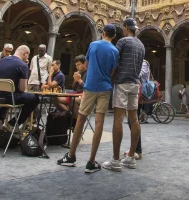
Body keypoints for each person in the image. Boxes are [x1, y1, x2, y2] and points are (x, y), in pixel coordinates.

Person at [57, 24, 118, 173]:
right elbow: (112, 71)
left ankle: (71, 156)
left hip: (90, 86)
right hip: (105, 88)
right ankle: (91, 162)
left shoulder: (93, 45)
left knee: (80, 120)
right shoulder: (115, 50)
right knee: (99, 123)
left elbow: (88, 63)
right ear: (114, 36)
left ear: (103, 33)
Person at [103, 18, 144, 171]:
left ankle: (115, 160)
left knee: (118, 119)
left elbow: (114, 60)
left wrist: (110, 75)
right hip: (135, 84)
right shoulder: (141, 45)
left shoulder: (123, 42)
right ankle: (131, 157)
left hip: (122, 83)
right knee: (134, 119)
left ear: (126, 28)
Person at [0, 45, 38, 132]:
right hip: (8, 97)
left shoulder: (1, 61)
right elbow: (22, 89)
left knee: (7, 94)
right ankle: (13, 123)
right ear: (26, 54)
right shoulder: (23, 65)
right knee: (34, 98)